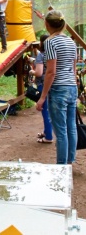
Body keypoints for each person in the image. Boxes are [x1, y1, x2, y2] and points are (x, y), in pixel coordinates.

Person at [36, 10, 77, 164]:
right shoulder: (71, 42)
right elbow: (73, 69)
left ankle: (61, 167)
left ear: (47, 24)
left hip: (59, 89)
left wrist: (43, 97)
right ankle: (69, 161)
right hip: (71, 87)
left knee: (60, 131)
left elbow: (51, 72)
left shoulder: (50, 42)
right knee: (71, 127)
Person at [29, 34, 53, 143]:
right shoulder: (52, 54)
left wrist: (31, 71)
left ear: (42, 43)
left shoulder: (41, 55)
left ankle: (48, 137)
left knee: (45, 111)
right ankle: (46, 132)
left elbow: (39, 73)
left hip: (43, 85)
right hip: (52, 84)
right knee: (49, 110)